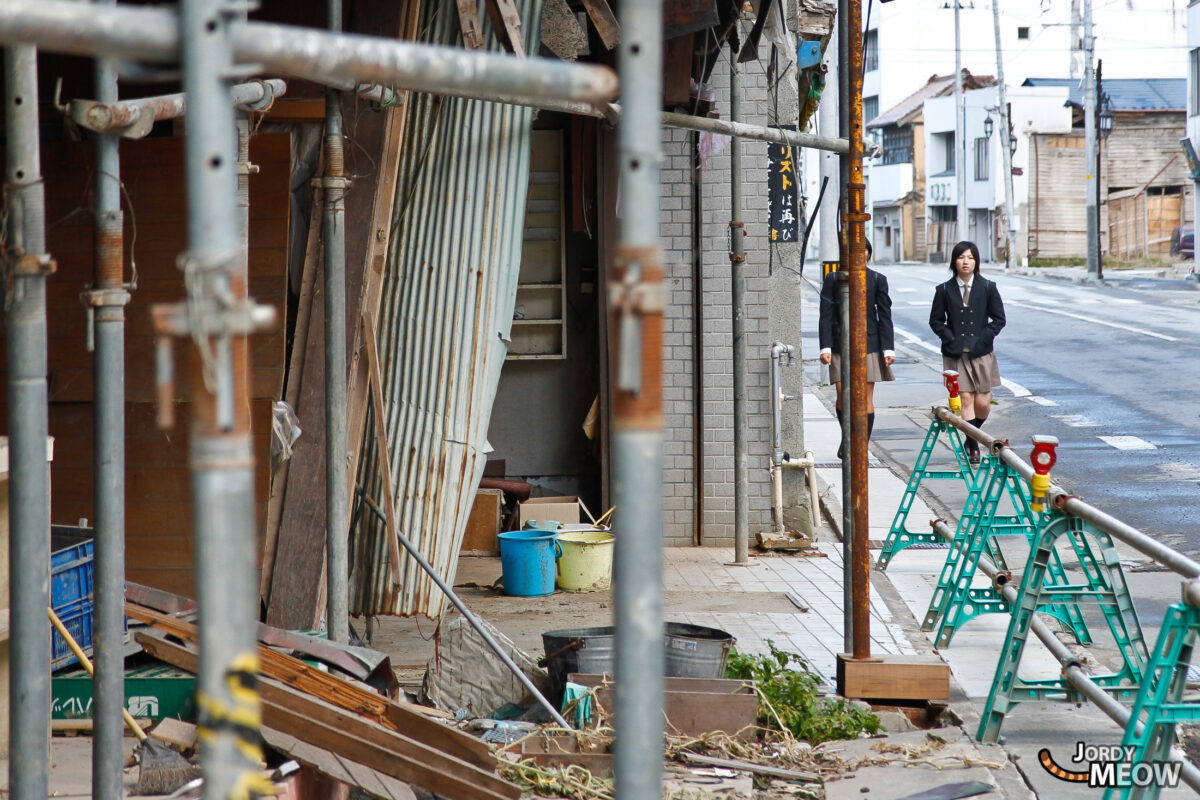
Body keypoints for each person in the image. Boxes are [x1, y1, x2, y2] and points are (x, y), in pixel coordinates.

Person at [929, 240, 1006, 466]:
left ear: (976, 262)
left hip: (982, 353)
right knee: (965, 398)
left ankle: (970, 435)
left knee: (983, 402)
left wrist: (984, 338)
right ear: (955, 261)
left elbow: (999, 319)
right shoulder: (943, 290)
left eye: (970, 258)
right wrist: (950, 338)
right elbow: (936, 321)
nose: (966, 262)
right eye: (962, 257)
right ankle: (973, 447)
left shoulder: (988, 287)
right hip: (955, 353)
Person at [818, 241, 895, 459]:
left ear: (869, 253)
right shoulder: (834, 278)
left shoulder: (878, 279)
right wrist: (825, 347)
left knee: (865, 397)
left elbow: (885, 316)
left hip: (869, 344)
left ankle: (862, 444)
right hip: (839, 345)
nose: (859, 254)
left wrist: (888, 349)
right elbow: (826, 315)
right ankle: (847, 437)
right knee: (843, 394)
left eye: (863, 251)